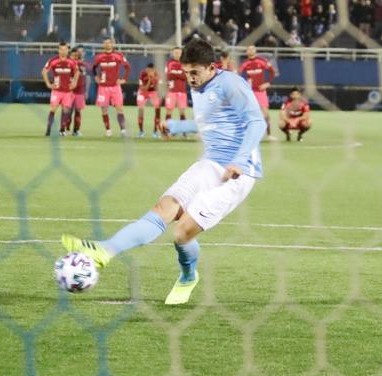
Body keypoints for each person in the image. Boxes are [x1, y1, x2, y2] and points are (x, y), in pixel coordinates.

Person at [60, 38, 266, 305]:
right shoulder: (200, 85)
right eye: (185, 72)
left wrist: (238, 160)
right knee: (164, 207)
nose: (189, 78)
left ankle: (188, 276)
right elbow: (213, 122)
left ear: (212, 67)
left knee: (181, 234)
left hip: (238, 173)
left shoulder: (231, 84)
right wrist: (178, 127)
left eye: (195, 72)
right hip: (210, 163)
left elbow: (256, 122)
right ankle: (104, 250)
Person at [91, 38, 131, 137]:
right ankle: (108, 130)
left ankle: (123, 130)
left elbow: (127, 67)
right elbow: (93, 68)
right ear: (103, 44)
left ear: (112, 44)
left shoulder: (118, 55)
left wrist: (124, 79)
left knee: (119, 108)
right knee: (104, 109)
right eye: (105, 43)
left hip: (115, 86)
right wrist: (96, 77)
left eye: (109, 43)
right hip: (103, 87)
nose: (107, 44)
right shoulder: (99, 56)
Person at [237, 45, 278, 138]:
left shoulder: (261, 61)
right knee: (246, 112)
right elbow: (238, 75)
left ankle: (269, 134)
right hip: (250, 91)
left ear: (255, 51)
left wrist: (268, 83)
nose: (250, 50)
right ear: (246, 52)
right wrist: (245, 83)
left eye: (252, 49)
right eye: (248, 49)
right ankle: (245, 134)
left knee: (265, 113)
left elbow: (272, 72)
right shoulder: (245, 63)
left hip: (260, 91)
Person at [41, 42, 79, 137]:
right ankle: (48, 130)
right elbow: (44, 71)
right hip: (57, 91)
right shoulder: (53, 60)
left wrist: (74, 82)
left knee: (66, 111)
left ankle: (62, 130)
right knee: (53, 109)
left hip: (67, 91)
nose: (63, 51)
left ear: (67, 50)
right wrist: (48, 84)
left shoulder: (72, 62)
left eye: (65, 49)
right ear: (58, 50)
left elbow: (77, 72)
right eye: (61, 49)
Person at [164, 46, 189, 128]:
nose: (177, 54)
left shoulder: (185, 63)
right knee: (169, 111)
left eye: (179, 53)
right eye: (175, 53)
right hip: (171, 91)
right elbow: (168, 76)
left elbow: (186, 77)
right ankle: (167, 130)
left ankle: (184, 131)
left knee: (182, 112)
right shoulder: (169, 63)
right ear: (172, 53)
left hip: (182, 91)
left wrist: (175, 73)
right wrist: (180, 73)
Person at [135, 62, 161, 138]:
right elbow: (144, 88)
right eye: (148, 70)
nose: (150, 72)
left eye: (151, 70)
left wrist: (154, 80)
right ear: (146, 70)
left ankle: (155, 132)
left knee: (158, 109)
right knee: (141, 110)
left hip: (153, 91)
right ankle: (141, 131)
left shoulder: (157, 75)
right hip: (143, 92)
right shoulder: (142, 74)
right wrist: (150, 80)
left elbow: (157, 88)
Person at [69, 46, 88, 136]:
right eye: (77, 53)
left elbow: (87, 78)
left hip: (80, 92)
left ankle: (76, 130)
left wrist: (86, 91)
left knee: (78, 111)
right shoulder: (69, 64)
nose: (79, 54)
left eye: (81, 52)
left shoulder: (83, 65)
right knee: (68, 111)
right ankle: (65, 129)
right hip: (70, 91)